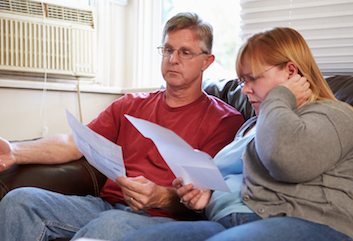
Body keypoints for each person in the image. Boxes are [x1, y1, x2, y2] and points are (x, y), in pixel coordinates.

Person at [0, 12, 245, 241]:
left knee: (110, 225)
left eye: (185, 52)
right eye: (168, 50)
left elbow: (206, 194)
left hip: (164, 220)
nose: (173, 59)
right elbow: (74, 143)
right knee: (20, 201)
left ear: (207, 61)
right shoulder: (130, 104)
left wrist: (160, 195)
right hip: (104, 206)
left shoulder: (225, 120)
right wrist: (16, 151)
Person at [123, 27, 353, 241]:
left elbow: (285, 160)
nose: (244, 90)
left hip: (302, 221)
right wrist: (204, 198)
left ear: (291, 71)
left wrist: (280, 96)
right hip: (225, 221)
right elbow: (235, 180)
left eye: (253, 78)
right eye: (243, 80)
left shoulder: (334, 114)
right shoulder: (250, 125)